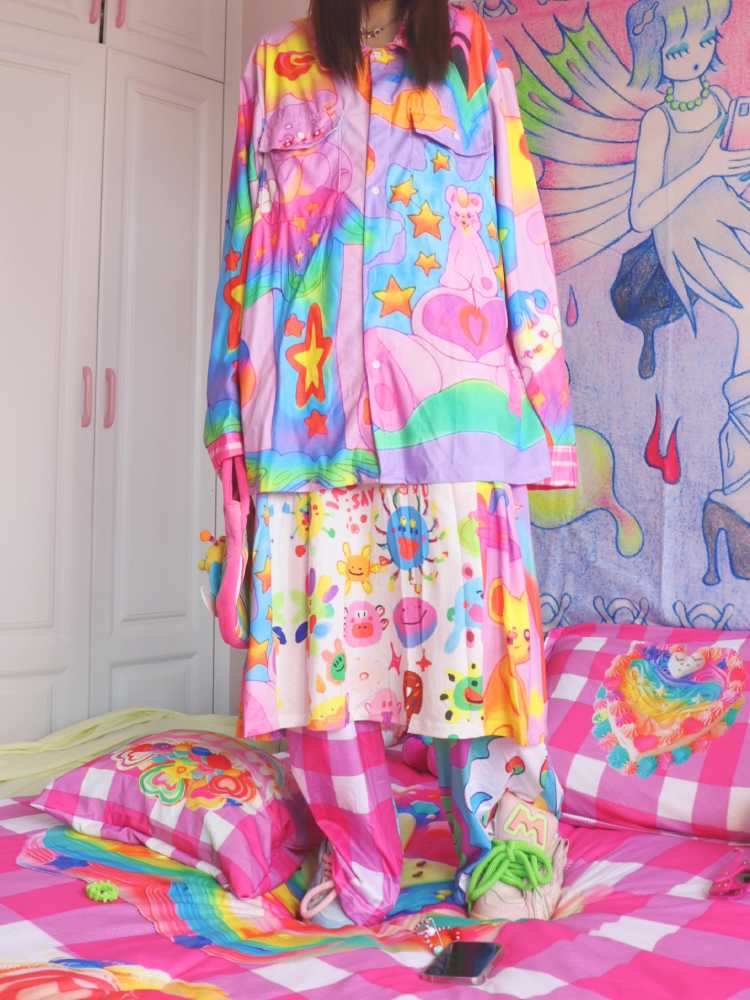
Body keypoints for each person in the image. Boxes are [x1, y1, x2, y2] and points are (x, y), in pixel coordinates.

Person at [205, 0, 576, 927]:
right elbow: (243, 248)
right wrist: (228, 423)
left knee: (469, 652)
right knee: (322, 667)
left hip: (454, 409)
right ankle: (365, 863)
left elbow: (518, 220)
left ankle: (506, 848)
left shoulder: (470, 51)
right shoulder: (276, 67)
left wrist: (547, 407)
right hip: (308, 417)